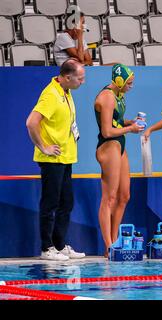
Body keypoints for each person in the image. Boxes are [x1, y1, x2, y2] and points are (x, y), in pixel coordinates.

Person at [25, 59, 86, 261]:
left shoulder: (65, 92)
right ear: (67, 77)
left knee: (66, 203)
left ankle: (59, 245)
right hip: (51, 160)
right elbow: (31, 122)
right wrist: (43, 146)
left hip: (66, 157)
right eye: (80, 78)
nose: (82, 82)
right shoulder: (51, 94)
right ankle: (46, 248)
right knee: (50, 203)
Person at [94, 64, 144, 257]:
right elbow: (106, 131)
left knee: (124, 196)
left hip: (119, 144)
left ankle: (115, 241)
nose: (131, 86)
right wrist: (130, 130)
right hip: (108, 146)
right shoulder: (106, 97)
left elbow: (114, 121)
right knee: (109, 198)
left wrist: (129, 122)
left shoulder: (118, 95)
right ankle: (108, 246)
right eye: (129, 83)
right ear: (119, 81)